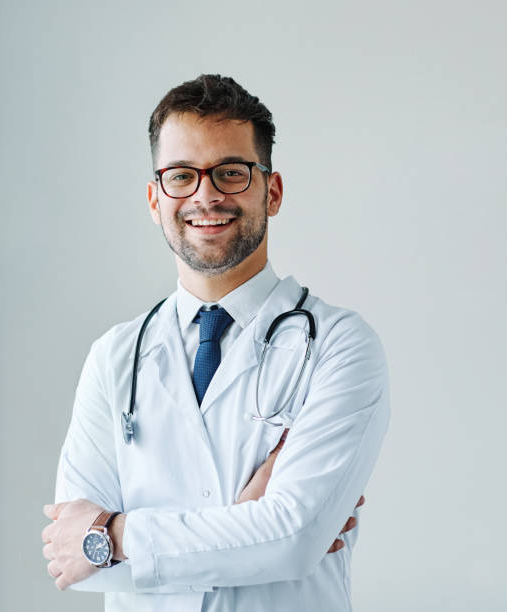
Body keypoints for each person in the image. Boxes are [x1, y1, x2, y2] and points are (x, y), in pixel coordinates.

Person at [41, 74, 390, 611]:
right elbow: (76, 566)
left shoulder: (341, 346)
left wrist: (112, 538)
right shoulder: (114, 357)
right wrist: (249, 526)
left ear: (271, 192)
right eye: (182, 175)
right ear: (156, 199)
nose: (206, 195)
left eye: (231, 172)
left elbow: (292, 542)